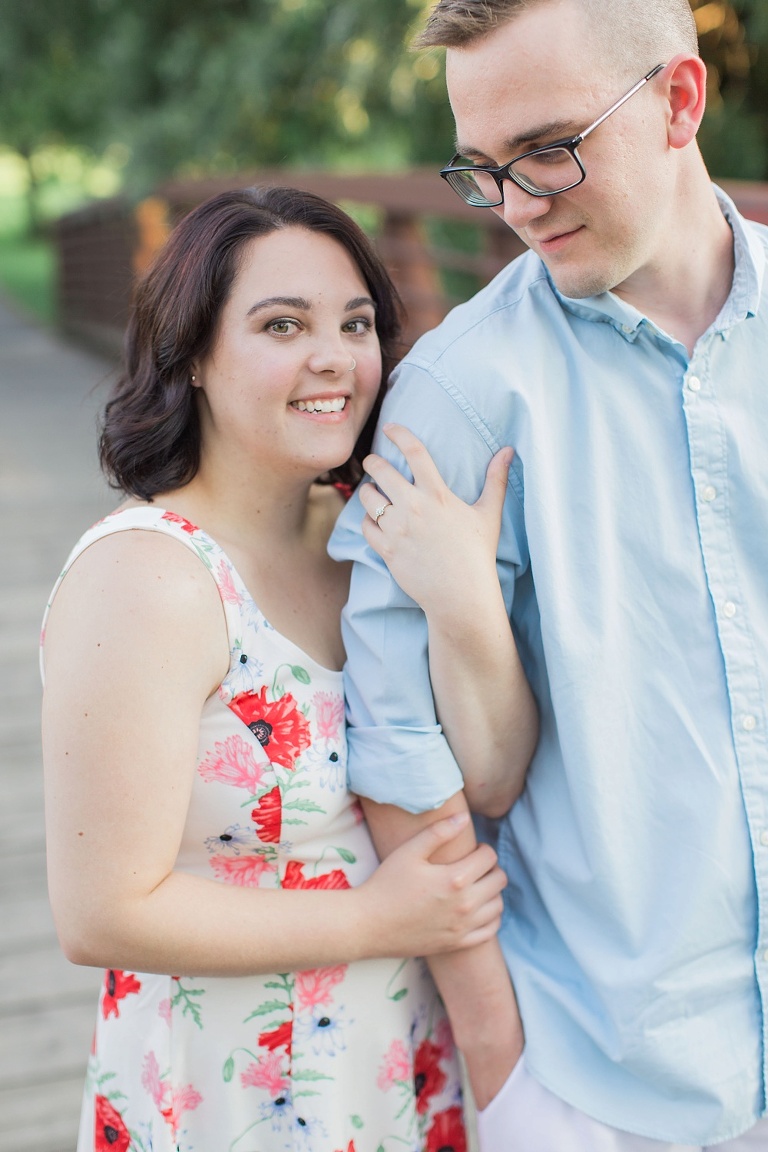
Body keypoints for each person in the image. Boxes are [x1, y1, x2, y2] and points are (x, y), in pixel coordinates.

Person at [329, 0, 768, 1148]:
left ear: (680, 100)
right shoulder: (457, 397)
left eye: (551, 149)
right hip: (606, 1080)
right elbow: (397, 741)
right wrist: (504, 1070)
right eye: (483, 169)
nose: (518, 206)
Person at [40, 185, 519, 1152]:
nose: (335, 358)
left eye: (355, 322)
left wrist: (467, 601)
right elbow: (101, 913)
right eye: (282, 324)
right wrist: (377, 921)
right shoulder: (151, 578)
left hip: (393, 1063)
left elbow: (497, 774)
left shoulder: (369, 548)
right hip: (235, 1094)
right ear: (195, 356)